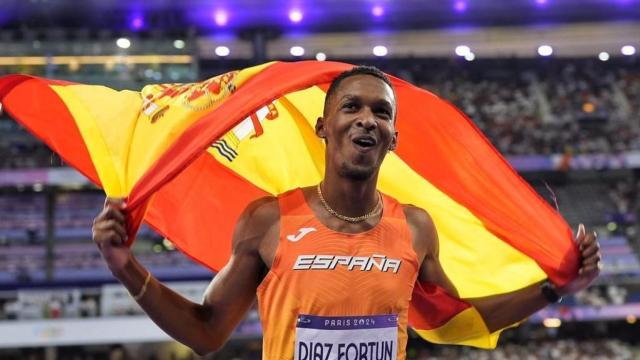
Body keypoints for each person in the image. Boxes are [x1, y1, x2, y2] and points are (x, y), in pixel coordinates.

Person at [92, 66, 601, 359]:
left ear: (393, 137)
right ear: (323, 126)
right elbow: (205, 332)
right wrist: (124, 265)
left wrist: (556, 288)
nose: (367, 119)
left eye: (381, 112)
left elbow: (456, 321)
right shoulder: (267, 220)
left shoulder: (416, 227)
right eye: (351, 107)